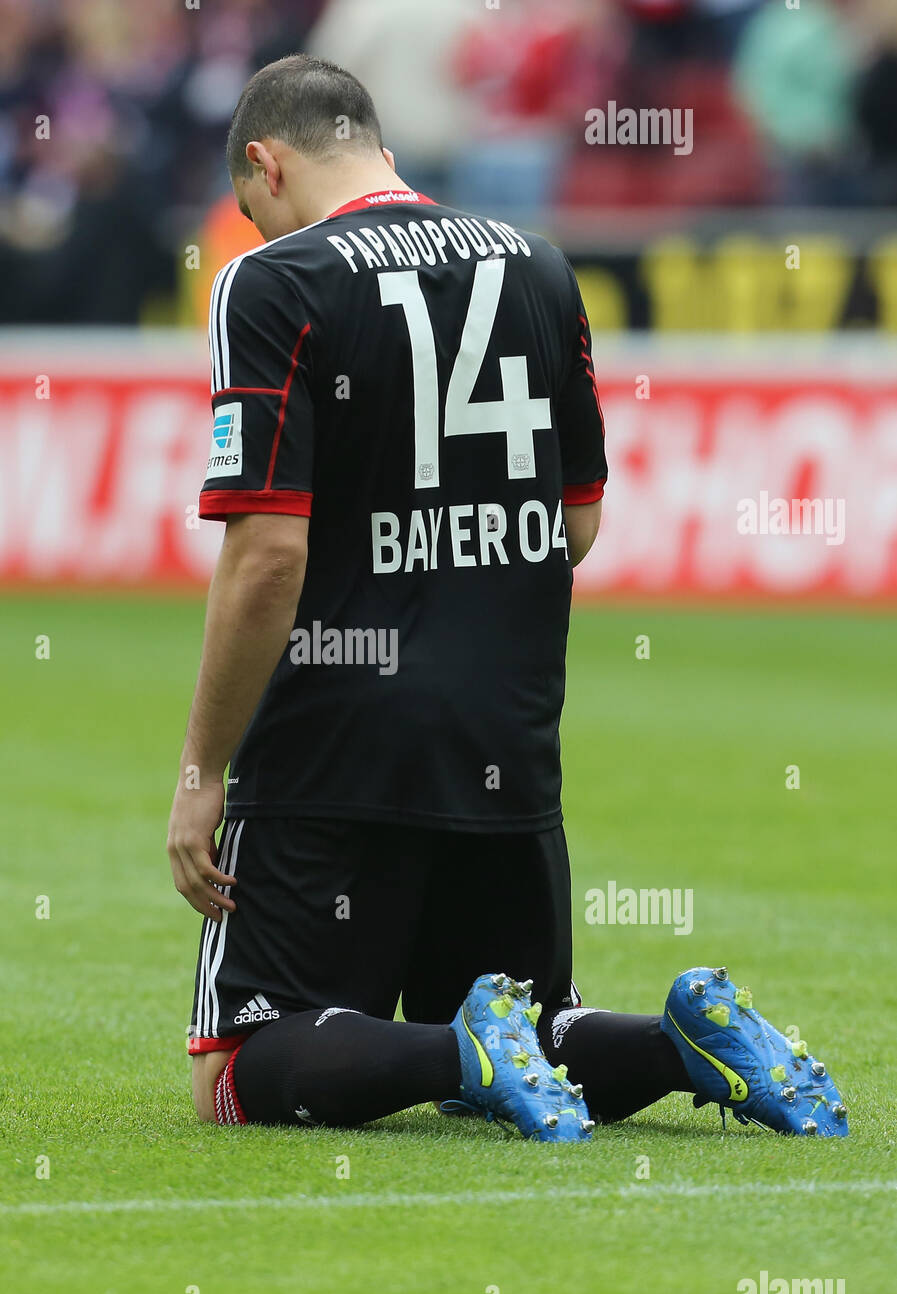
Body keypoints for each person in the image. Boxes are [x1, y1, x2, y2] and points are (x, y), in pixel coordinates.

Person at [166, 54, 848, 1141]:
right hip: (506, 732)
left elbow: (265, 559)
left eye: (254, 209)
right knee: (541, 1023)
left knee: (239, 1068)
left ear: (267, 162)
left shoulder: (276, 280)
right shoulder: (536, 262)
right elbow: (576, 526)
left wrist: (201, 773)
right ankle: (683, 1044)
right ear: (379, 149)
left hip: (337, 741)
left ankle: (459, 1049)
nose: (256, 230)